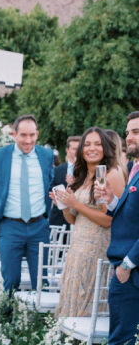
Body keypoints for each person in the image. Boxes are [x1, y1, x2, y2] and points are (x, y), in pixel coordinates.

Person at [52, 128, 125, 318]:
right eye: (87, 144)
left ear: (105, 147)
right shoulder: (83, 176)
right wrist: (65, 205)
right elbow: (73, 219)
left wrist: (76, 204)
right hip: (77, 248)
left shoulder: (109, 174)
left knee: (89, 307)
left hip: (96, 250)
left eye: (98, 144)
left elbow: (109, 220)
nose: (92, 148)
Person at [0, 115, 53, 292]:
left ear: (37, 134)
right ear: (14, 134)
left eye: (32, 135)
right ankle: (8, 311)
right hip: (9, 226)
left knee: (41, 283)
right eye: (23, 135)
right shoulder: (0, 156)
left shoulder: (46, 156)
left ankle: (40, 312)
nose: (28, 140)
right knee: (10, 281)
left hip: (39, 227)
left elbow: (50, 183)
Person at [96, 111, 139, 345]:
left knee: (122, 344)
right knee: (122, 341)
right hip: (127, 268)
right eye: (127, 132)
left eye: (136, 132)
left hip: (132, 270)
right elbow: (131, 216)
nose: (129, 137)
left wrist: (127, 264)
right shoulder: (135, 168)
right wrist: (111, 200)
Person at [49, 135, 80, 227]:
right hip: (59, 220)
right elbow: (50, 191)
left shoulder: (88, 171)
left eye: (79, 149)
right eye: (74, 149)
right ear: (67, 150)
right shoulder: (57, 170)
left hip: (80, 218)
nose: (77, 152)